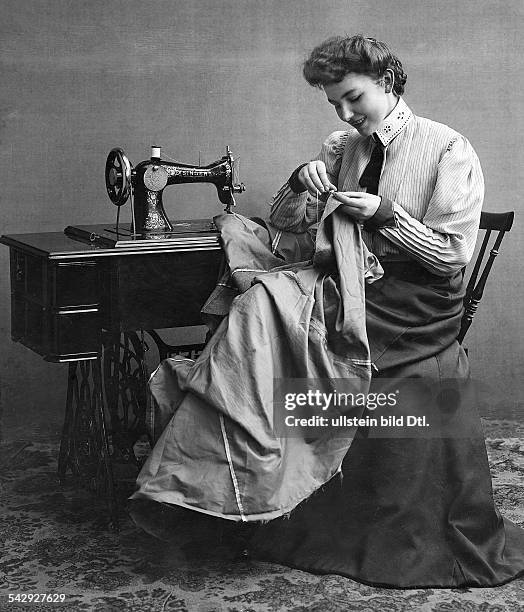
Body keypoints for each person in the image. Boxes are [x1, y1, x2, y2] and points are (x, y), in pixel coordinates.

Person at [130, 35, 524, 588]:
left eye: (353, 98)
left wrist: (385, 215)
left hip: (417, 303)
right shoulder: (342, 147)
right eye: (333, 102)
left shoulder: (446, 148)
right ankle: (220, 478)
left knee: (266, 304)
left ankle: (216, 452)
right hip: (350, 286)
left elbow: (452, 256)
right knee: (260, 304)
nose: (344, 112)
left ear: (387, 83)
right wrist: (300, 181)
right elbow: (288, 222)